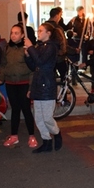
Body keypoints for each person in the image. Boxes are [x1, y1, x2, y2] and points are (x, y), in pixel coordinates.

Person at [24, 22, 63, 153]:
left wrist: (30, 48)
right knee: (38, 118)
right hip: (37, 84)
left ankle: (57, 133)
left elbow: (41, 61)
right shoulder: (40, 46)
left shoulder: (51, 47)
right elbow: (33, 66)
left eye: (41, 31)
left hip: (47, 85)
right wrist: (28, 55)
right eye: (38, 30)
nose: (38, 33)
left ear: (48, 33)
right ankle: (46, 141)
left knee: (47, 117)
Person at [0, 24, 37, 148]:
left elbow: (32, 69)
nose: (13, 35)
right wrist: (0, 79)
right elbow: (3, 65)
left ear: (22, 35)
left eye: (16, 33)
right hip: (10, 83)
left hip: (24, 83)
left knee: (26, 109)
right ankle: (14, 136)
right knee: (15, 109)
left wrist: (30, 87)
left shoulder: (27, 49)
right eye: (12, 33)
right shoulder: (7, 49)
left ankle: (32, 136)